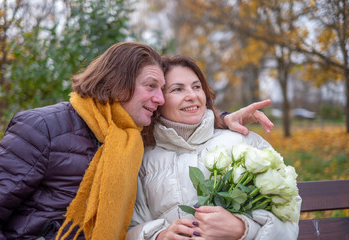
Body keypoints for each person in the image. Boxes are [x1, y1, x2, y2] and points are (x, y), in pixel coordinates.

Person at [0, 42, 273, 240]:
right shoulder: (43, 128)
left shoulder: (131, 136)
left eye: (162, 90)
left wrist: (221, 118)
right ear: (115, 83)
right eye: (151, 87)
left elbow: (184, 127)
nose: (160, 99)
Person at [126, 56, 300, 240]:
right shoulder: (142, 158)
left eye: (196, 87)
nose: (192, 96)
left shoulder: (242, 142)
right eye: (177, 89)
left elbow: (288, 215)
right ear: (158, 100)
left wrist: (243, 229)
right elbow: (129, 227)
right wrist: (159, 236)